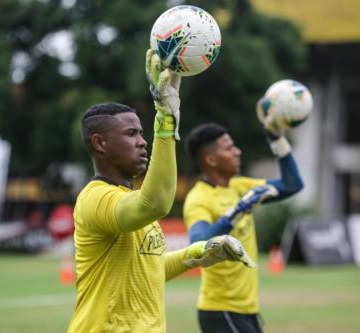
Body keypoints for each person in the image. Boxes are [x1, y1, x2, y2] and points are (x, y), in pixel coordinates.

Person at [67, 50, 255, 333]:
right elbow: (155, 203)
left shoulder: (133, 200)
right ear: (100, 143)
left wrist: (201, 252)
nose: (142, 142)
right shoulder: (94, 198)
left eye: (142, 133)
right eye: (131, 134)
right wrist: (165, 120)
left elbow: (150, 270)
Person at [183, 106, 304, 332]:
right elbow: (198, 245)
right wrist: (235, 212)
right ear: (211, 159)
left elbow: (292, 184)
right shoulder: (198, 198)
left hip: (248, 310)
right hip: (221, 311)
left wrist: (277, 140)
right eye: (229, 148)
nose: (237, 152)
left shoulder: (239, 187)